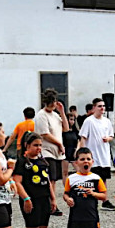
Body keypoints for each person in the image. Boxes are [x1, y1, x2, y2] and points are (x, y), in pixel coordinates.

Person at [64, 148, 110, 228]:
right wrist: (68, 199)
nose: (86, 161)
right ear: (77, 162)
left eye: (88, 159)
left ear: (92, 162)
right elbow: (65, 193)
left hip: (92, 216)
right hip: (76, 216)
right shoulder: (71, 178)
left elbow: (104, 196)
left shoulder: (96, 178)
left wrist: (94, 193)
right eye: (82, 159)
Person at [13, 131, 55, 228]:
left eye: (40, 145)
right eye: (35, 145)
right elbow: (17, 182)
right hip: (31, 199)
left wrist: (53, 199)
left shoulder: (43, 161)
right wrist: (26, 199)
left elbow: (48, 181)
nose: (38, 148)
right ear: (27, 145)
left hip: (44, 198)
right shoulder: (22, 161)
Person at [35, 89, 69, 217]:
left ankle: (51, 203)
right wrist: (59, 144)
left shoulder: (55, 115)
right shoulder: (41, 115)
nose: (54, 104)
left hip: (56, 152)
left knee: (54, 178)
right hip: (46, 150)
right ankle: (50, 204)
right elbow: (45, 134)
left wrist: (62, 112)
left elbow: (66, 128)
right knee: (50, 179)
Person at [78, 98, 115, 211]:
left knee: (103, 178)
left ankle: (104, 200)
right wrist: (82, 152)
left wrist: (107, 138)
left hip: (103, 154)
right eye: (99, 106)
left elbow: (111, 135)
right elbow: (83, 137)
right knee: (91, 177)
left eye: (103, 106)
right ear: (94, 107)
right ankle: (90, 198)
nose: (102, 108)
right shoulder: (89, 121)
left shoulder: (107, 121)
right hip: (93, 154)